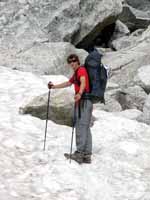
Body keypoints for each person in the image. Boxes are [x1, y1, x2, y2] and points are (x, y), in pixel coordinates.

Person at [48, 54, 93, 164]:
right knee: (85, 127)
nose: (72, 63)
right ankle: (86, 155)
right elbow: (68, 83)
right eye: (70, 62)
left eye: (74, 61)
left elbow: (83, 82)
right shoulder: (76, 73)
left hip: (84, 101)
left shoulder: (81, 70)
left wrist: (80, 93)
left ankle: (80, 153)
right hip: (84, 101)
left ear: (78, 61)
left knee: (81, 126)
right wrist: (54, 87)